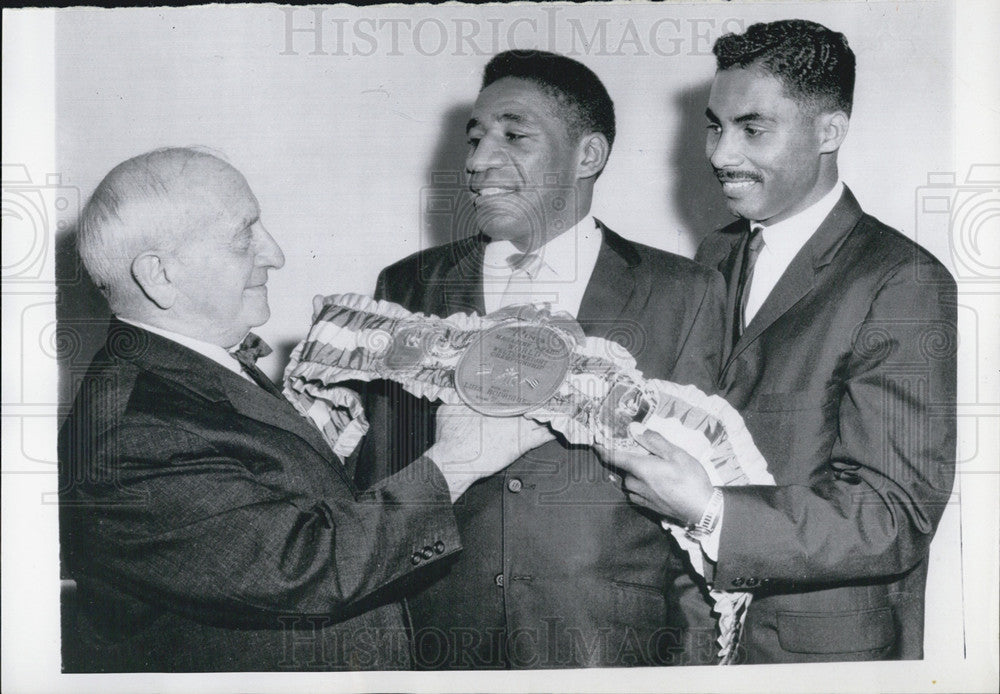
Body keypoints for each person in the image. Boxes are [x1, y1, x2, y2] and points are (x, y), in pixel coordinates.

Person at [58, 147, 552, 672]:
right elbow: (301, 568)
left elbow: (244, 509)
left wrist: (312, 446)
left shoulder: (186, 368)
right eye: (244, 236)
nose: (274, 253)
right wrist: (459, 459)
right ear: (158, 276)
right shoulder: (130, 434)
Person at [601, 20, 957, 663]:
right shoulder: (716, 252)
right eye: (714, 125)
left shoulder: (903, 280)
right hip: (694, 643)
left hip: (819, 657)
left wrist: (714, 513)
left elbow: (892, 515)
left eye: (752, 128)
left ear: (830, 131)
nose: (719, 153)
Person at [361, 50, 727, 668]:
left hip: (612, 649)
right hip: (436, 644)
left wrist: (693, 673)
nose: (477, 162)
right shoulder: (407, 287)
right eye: (473, 138)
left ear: (589, 156)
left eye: (513, 135)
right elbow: (381, 479)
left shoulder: (684, 293)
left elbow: (701, 499)